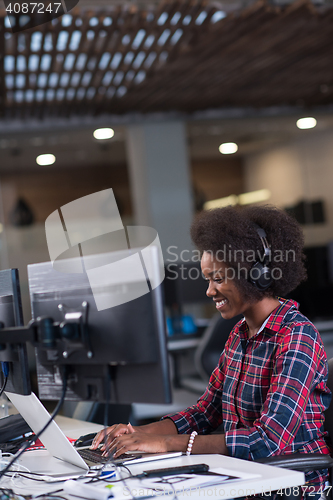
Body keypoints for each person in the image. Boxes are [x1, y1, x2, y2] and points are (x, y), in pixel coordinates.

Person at [92, 205, 331, 495]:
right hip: (246, 478)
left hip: (294, 486)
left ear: (256, 274)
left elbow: (267, 441)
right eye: (208, 279)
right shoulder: (239, 335)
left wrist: (166, 444)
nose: (209, 291)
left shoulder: (296, 337)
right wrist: (138, 433)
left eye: (218, 279)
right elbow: (205, 412)